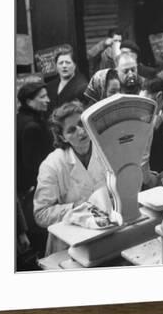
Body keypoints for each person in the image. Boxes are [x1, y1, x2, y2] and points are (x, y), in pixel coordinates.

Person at [33, 101, 109, 255]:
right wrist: (75, 207)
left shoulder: (105, 148)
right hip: (69, 243)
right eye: (72, 130)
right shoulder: (52, 165)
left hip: (106, 230)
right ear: (63, 137)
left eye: (82, 123)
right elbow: (40, 214)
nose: (81, 132)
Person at [16, 81, 54, 257]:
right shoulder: (32, 127)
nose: (48, 100)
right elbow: (33, 165)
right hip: (33, 191)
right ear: (29, 101)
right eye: (42, 97)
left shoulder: (21, 119)